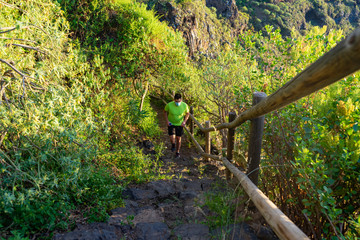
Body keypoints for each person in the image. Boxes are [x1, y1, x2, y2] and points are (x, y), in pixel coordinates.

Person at [164, 93, 190, 158]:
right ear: (174, 100)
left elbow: (187, 113)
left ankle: (177, 152)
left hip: (180, 123)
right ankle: (173, 144)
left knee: (178, 138)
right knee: (171, 137)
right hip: (171, 123)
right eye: (176, 101)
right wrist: (167, 121)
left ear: (181, 100)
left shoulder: (185, 105)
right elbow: (164, 112)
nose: (177, 102)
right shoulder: (169, 105)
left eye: (179, 101)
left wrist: (184, 121)